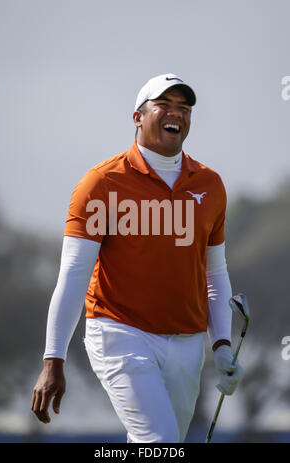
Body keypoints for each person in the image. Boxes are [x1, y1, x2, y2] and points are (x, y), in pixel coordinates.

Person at [31, 73, 244, 443]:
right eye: (164, 105)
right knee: (158, 441)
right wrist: (53, 359)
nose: (175, 114)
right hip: (120, 331)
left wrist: (222, 344)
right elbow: (73, 275)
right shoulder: (101, 183)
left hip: (188, 340)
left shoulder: (210, 185)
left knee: (163, 442)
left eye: (184, 108)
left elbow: (215, 273)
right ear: (138, 117)